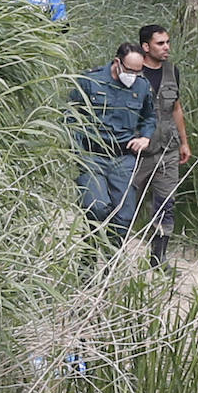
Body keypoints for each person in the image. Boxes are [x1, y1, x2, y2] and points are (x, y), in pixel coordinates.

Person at [70, 43, 156, 246]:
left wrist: (145, 137)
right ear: (117, 62)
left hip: (123, 158)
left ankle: (110, 267)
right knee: (96, 208)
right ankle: (88, 264)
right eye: (129, 70)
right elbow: (71, 116)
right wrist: (76, 152)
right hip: (92, 155)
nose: (133, 76)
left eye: (138, 71)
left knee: (123, 217)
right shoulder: (91, 80)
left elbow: (149, 117)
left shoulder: (142, 86)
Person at [131, 24, 192, 269]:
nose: (166, 47)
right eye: (160, 43)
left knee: (166, 202)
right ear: (146, 47)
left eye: (167, 42)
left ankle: (159, 257)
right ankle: (112, 250)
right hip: (137, 149)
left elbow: (176, 107)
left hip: (167, 147)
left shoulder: (172, 71)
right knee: (125, 201)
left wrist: (184, 142)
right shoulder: (133, 70)